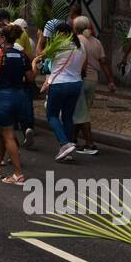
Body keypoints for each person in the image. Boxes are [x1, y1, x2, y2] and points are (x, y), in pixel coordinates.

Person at [0, 24, 34, 183]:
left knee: (8, 134)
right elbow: (31, 78)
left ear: (4, 39)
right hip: (19, 96)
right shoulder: (22, 55)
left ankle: (18, 174)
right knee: (0, 131)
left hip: (2, 97)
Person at [40, 21, 86, 163]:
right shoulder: (80, 46)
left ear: (60, 34)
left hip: (59, 84)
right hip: (76, 84)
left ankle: (64, 143)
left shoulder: (58, 46)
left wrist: (41, 38)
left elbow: (40, 56)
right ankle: (67, 150)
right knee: (67, 117)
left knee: (52, 115)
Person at [71, 16, 115, 156]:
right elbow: (104, 62)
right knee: (81, 112)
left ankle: (90, 143)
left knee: (81, 113)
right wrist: (110, 81)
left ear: (76, 28)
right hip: (93, 81)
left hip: (79, 79)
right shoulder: (97, 42)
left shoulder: (75, 41)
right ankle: (73, 139)